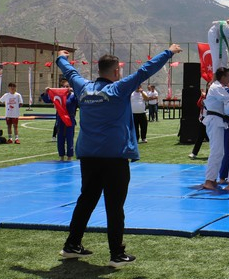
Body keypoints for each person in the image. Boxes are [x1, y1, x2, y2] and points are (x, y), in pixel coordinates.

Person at [56, 44, 182, 268]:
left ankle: (71, 245)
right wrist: (169, 52)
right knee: (114, 206)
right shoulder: (118, 88)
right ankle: (116, 254)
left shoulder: (83, 87)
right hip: (114, 158)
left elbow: (70, 72)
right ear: (115, 72)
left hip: (89, 158)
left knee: (86, 200)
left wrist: (60, 58)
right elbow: (146, 70)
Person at [202, 68, 229, 190]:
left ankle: (212, 179)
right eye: (227, 76)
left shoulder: (218, 87)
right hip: (214, 120)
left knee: (219, 152)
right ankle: (209, 180)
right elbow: (228, 99)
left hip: (217, 120)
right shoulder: (216, 87)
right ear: (223, 77)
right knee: (216, 151)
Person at [40, 80, 78, 161]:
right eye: (63, 86)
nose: (65, 88)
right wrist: (46, 92)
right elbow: (47, 100)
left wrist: (74, 91)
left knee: (69, 138)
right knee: (60, 138)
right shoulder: (57, 96)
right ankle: (61, 156)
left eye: (67, 86)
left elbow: (80, 101)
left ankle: (69, 157)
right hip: (60, 119)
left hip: (69, 119)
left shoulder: (73, 96)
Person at [189, 83, 210, 159]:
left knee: (212, 138)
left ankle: (218, 153)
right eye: (208, 85)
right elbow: (198, 104)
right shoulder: (204, 96)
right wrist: (202, 97)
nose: (210, 87)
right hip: (204, 118)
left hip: (212, 119)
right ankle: (194, 153)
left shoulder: (215, 95)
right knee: (200, 136)